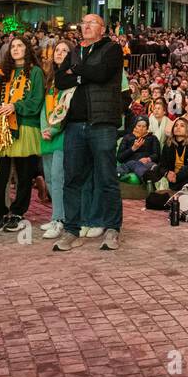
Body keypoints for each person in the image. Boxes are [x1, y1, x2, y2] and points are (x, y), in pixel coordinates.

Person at [52, 15, 126, 253]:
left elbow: (103, 73)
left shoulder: (112, 48)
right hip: (75, 124)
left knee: (106, 177)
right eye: (83, 22)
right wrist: (83, 73)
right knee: (72, 178)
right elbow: (60, 81)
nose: (85, 26)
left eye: (92, 23)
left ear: (102, 29)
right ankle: (71, 229)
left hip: (102, 122)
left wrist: (78, 71)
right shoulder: (75, 51)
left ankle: (112, 227)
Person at [0, 36, 44, 233]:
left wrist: (15, 106)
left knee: (24, 174)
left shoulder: (35, 72)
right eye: (13, 46)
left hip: (25, 126)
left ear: (28, 49)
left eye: (20, 46)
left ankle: (18, 211)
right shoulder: (3, 73)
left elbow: (36, 100)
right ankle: (0, 212)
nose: (16, 49)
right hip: (1, 127)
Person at [38, 40, 72, 240]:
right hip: (46, 135)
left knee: (59, 178)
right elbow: (45, 107)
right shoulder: (50, 79)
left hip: (61, 135)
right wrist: (44, 128)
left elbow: (66, 109)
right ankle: (55, 216)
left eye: (64, 50)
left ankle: (61, 219)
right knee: (50, 177)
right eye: (57, 50)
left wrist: (53, 128)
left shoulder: (69, 79)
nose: (59, 53)